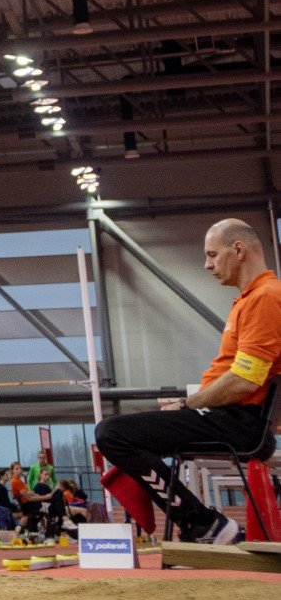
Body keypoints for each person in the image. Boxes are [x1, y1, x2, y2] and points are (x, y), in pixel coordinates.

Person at [97, 218, 281, 544]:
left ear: (238, 250)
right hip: (231, 416)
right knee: (126, 434)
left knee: (112, 434)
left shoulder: (264, 297)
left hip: (239, 422)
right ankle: (202, 523)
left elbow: (244, 380)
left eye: (212, 254)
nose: (207, 265)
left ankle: (204, 524)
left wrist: (187, 404)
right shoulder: (250, 298)